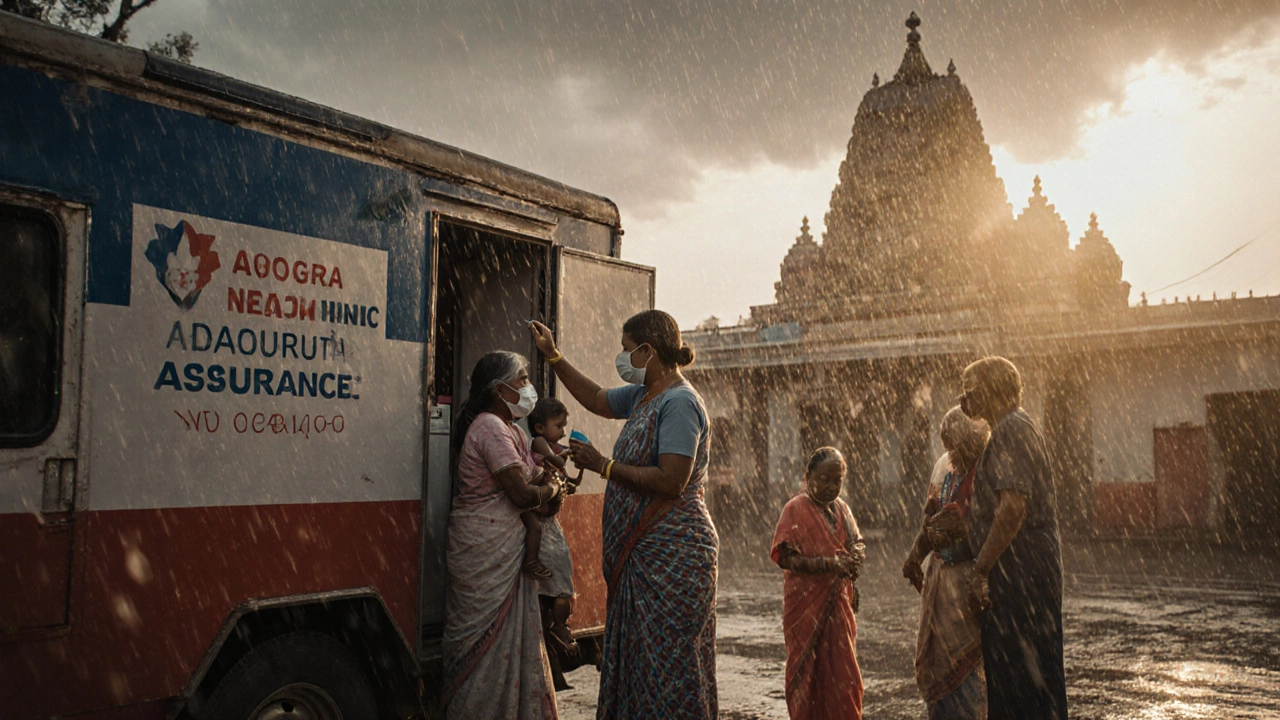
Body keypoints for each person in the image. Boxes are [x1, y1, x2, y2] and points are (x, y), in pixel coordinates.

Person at [530, 309, 718, 719]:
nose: (623, 358)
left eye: (627, 350)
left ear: (649, 350)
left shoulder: (680, 402)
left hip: (673, 555)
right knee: (638, 662)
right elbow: (597, 398)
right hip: (640, 558)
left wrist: (604, 466)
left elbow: (672, 481)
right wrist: (554, 357)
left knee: (668, 665)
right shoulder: (642, 396)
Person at [441, 351, 563, 720]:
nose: (529, 388)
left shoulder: (511, 429)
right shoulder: (491, 427)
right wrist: (553, 491)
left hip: (500, 547)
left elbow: (530, 486)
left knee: (500, 651)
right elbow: (523, 495)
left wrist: (544, 485)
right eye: (523, 380)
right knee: (482, 657)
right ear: (500, 390)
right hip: (486, 549)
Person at [960, 357, 1067, 720]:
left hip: (1021, 572)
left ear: (992, 389)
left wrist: (980, 570)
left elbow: (1012, 509)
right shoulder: (1008, 428)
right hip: (1020, 569)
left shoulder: (1012, 429)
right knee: (1018, 677)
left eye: (971, 389)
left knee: (1021, 677)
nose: (965, 399)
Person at [902, 408, 991, 719]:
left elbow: (999, 529)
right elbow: (930, 519)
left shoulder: (989, 469)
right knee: (938, 664)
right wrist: (915, 555)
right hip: (941, 582)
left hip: (972, 578)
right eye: (950, 446)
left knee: (970, 664)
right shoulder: (945, 468)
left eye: (961, 445)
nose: (955, 453)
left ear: (978, 441)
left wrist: (965, 531)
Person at [771, 447, 866, 720]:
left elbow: (856, 541)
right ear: (808, 476)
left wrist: (857, 553)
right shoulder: (795, 509)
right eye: (824, 479)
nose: (830, 486)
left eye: (837, 480)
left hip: (839, 604)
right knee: (807, 676)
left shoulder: (842, 510)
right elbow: (785, 557)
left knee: (844, 675)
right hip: (805, 607)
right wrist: (827, 565)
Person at [527, 397, 582, 686]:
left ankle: (559, 626)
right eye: (558, 425)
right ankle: (559, 627)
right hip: (542, 522)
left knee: (561, 579)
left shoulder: (546, 443)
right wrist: (568, 457)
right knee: (559, 580)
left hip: (550, 522)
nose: (562, 430)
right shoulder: (537, 443)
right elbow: (557, 459)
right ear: (539, 427)